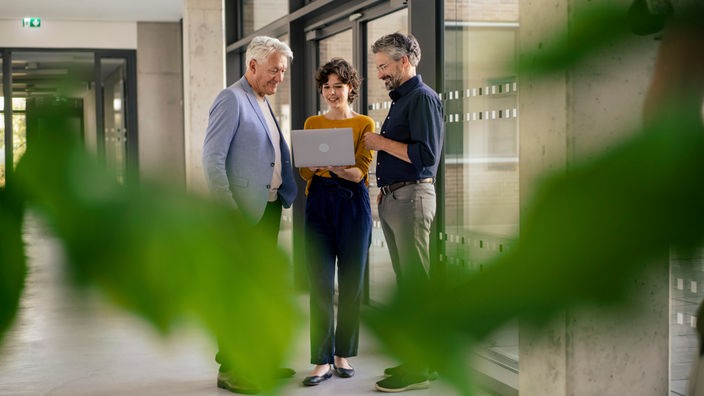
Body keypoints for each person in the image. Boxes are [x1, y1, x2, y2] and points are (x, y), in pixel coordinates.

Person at [202, 35, 298, 394]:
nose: (279, 78)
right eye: (274, 70)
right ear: (253, 66)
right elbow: (212, 161)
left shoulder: (260, 99)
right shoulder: (231, 99)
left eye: (283, 72)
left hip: (267, 211)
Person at [363, 32, 444, 393]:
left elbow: (426, 158)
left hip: (412, 198)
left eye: (384, 66)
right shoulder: (403, 100)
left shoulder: (422, 99)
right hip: (396, 199)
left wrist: (379, 143)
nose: (380, 73)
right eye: (378, 66)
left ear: (405, 61)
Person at [298, 58, 374, 387]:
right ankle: (321, 361)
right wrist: (314, 168)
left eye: (338, 86)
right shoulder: (312, 122)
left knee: (352, 284)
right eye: (326, 87)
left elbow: (361, 171)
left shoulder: (364, 123)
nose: (331, 92)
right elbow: (303, 170)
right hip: (318, 203)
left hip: (352, 204)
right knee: (319, 285)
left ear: (350, 88)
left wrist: (342, 169)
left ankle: (343, 353)